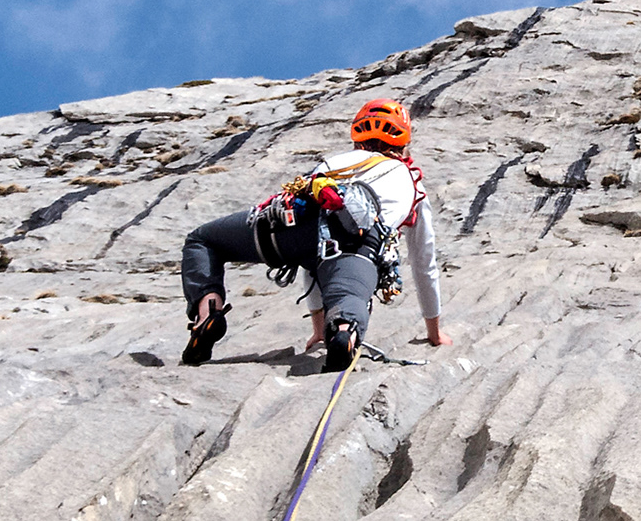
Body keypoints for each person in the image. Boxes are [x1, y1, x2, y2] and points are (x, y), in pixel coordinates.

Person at [180, 98, 451, 371]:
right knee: (349, 298)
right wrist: (434, 332)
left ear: (357, 135)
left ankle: (208, 313)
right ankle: (344, 330)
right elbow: (423, 264)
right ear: (402, 142)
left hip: (285, 229)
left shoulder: (334, 162)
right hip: (354, 246)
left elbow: (312, 254)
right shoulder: (412, 185)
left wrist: (317, 328)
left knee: (203, 241)